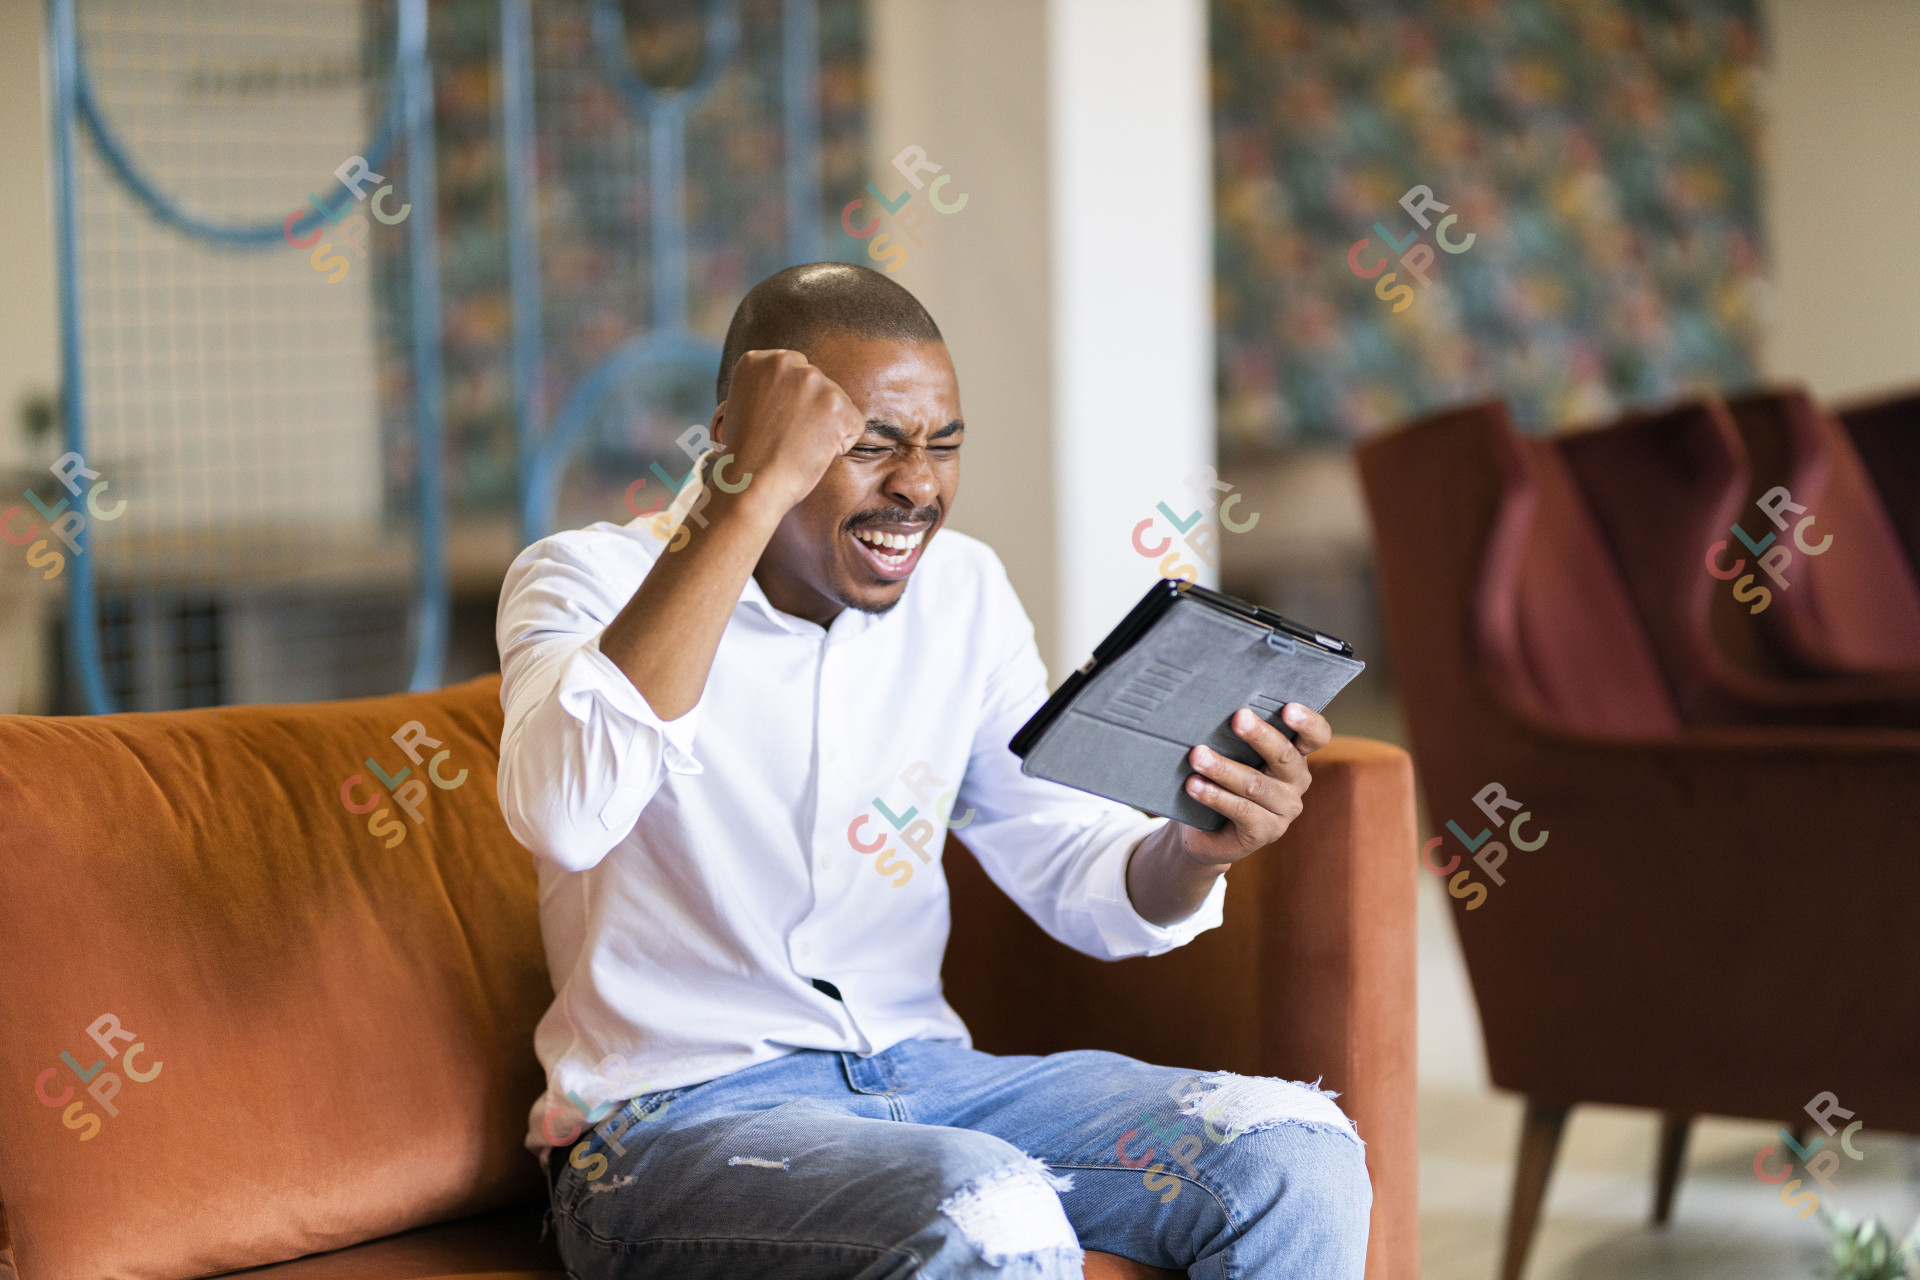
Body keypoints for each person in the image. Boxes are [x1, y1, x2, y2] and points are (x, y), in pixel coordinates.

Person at [495, 262, 1371, 1278]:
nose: (918, 485)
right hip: (668, 1120)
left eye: (943, 443)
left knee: (1293, 1148)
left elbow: (1064, 854)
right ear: (741, 438)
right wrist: (741, 500)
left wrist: (1194, 847)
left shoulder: (965, 591)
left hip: (928, 1080)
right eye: (869, 444)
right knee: (988, 1210)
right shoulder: (585, 580)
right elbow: (566, 813)